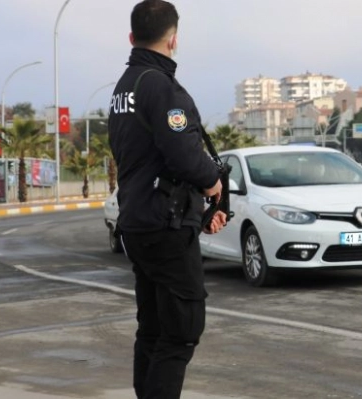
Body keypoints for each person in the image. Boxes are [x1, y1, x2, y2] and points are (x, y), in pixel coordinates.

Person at [107, 1, 227, 398]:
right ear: (174, 38)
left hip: (139, 222)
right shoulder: (160, 85)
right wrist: (211, 184)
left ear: (131, 37)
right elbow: (182, 153)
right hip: (165, 225)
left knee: (155, 330)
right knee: (180, 332)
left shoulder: (125, 87)